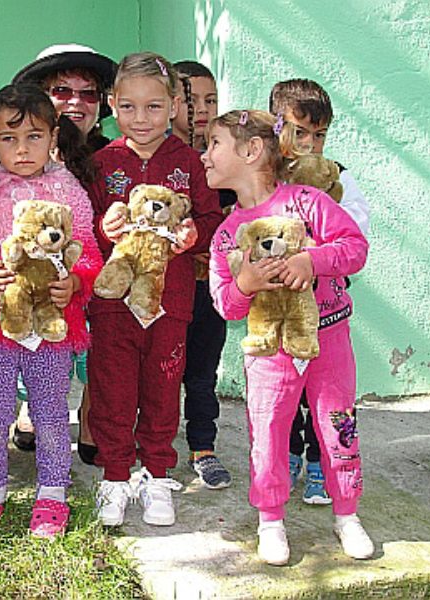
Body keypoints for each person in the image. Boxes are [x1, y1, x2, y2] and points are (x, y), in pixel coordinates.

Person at [203, 109, 374, 565]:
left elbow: (354, 247)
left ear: (251, 151)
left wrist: (310, 261)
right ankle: (271, 520)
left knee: (339, 427)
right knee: (269, 433)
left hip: (329, 338)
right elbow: (224, 302)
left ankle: (347, 514)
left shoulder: (308, 203)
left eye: (213, 144)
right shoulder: (226, 237)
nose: (205, 155)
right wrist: (246, 285)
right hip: (268, 352)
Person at [0, 84, 102, 538]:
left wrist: (75, 282)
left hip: (51, 324)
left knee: (52, 411)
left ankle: (52, 491)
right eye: (9, 139)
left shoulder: (67, 188)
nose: (23, 149)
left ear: (53, 137)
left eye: (34, 136)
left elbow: (88, 251)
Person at [87, 52, 223, 528]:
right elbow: (85, 230)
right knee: (113, 391)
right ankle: (117, 475)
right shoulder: (102, 162)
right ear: (112, 105)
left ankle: (159, 474)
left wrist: (193, 236)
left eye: (152, 107)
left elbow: (210, 219)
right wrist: (105, 228)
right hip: (113, 308)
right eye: (128, 107)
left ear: (172, 107)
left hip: (173, 304)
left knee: (165, 389)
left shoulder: (190, 161)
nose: (140, 118)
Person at [269, 79, 371, 505]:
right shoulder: (266, 176)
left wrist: (318, 248)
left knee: (328, 396)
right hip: (276, 308)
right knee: (285, 389)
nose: (310, 144)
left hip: (327, 309)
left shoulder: (337, 178)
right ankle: (290, 454)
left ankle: (322, 462)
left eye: (320, 135)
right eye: (299, 131)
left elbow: (357, 231)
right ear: (276, 126)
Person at [171, 60, 232, 490]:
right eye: (191, 100)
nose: (202, 109)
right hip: (165, 282)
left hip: (209, 282)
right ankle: (149, 444)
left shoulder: (223, 159)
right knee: (159, 368)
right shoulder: (158, 158)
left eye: (211, 99)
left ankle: (203, 445)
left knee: (202, 369)